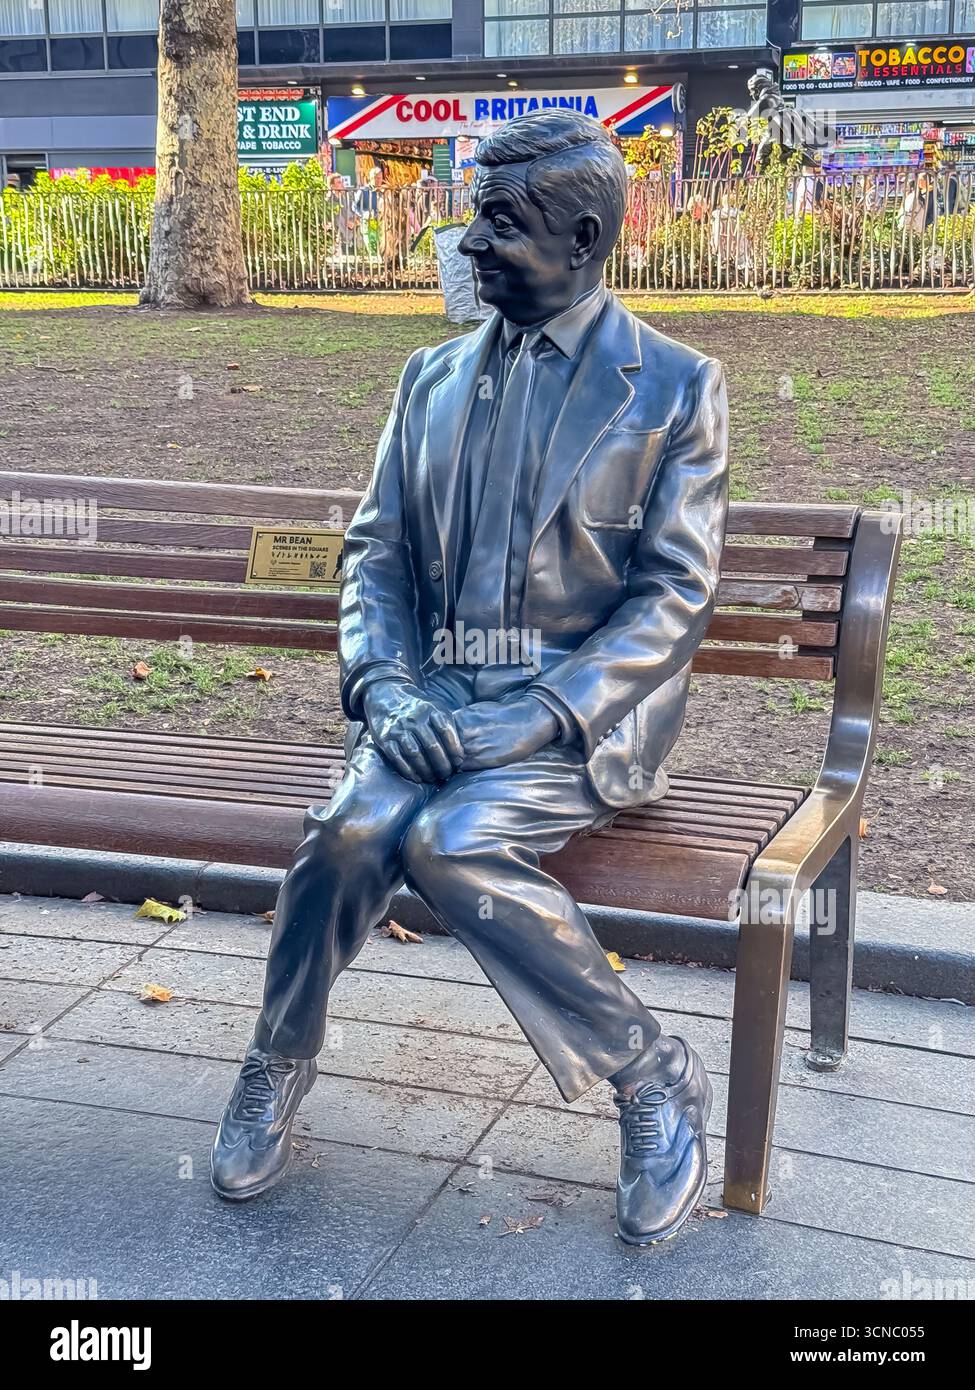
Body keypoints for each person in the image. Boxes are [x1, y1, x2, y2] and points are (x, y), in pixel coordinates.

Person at [210, 108, 729, 1247]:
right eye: (475, 217)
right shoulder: (430, 376)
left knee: (449, 842)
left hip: (576, 712)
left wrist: (544, 713)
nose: (470, 243)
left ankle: (652, 1075)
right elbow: (376, 552)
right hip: (431, 693)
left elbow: (674, 597)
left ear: (584, 234)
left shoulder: (676, 388)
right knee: (351, 830)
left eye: (499, 223)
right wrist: (386, 688)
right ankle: (277, 1056)